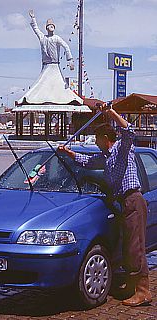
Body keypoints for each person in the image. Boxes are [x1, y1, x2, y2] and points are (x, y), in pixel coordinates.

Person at [58, 104, 152, 307]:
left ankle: (143, 292)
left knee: (135, 248)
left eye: (97, 138)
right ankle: (131, 285)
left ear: (105, 138)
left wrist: (111, 113)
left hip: (133, 200)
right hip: (122, 204)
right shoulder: (105, 158)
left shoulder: (122, 149)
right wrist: (67, 152)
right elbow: (87, 162)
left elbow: (129, 131)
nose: (95, 142)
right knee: (128, 247)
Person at [17, 10, 83, 105]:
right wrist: (33, 18)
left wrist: (70, 59)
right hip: (46, 66)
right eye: (48, 25)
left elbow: (66, 46)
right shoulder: (43, 38)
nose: (51, 26)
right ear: (46, 28)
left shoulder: (56, 38)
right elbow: (36, 29)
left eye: (52, 25)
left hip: (55, 65)